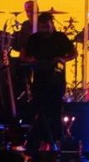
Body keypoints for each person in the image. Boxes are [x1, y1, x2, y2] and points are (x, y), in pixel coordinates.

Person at [22, 12, 76, 150]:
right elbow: (24, 55)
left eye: (47, 26)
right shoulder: (34, 39)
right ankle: (39, 141)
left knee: (55, 108)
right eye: (42, 27)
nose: (44, 30)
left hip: (56, 77)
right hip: (40, 77)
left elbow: (73, 53)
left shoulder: (60, 38)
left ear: (52, 24)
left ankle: (56, 139)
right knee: (40, 107)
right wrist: (31, 60)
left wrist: (62, 59)